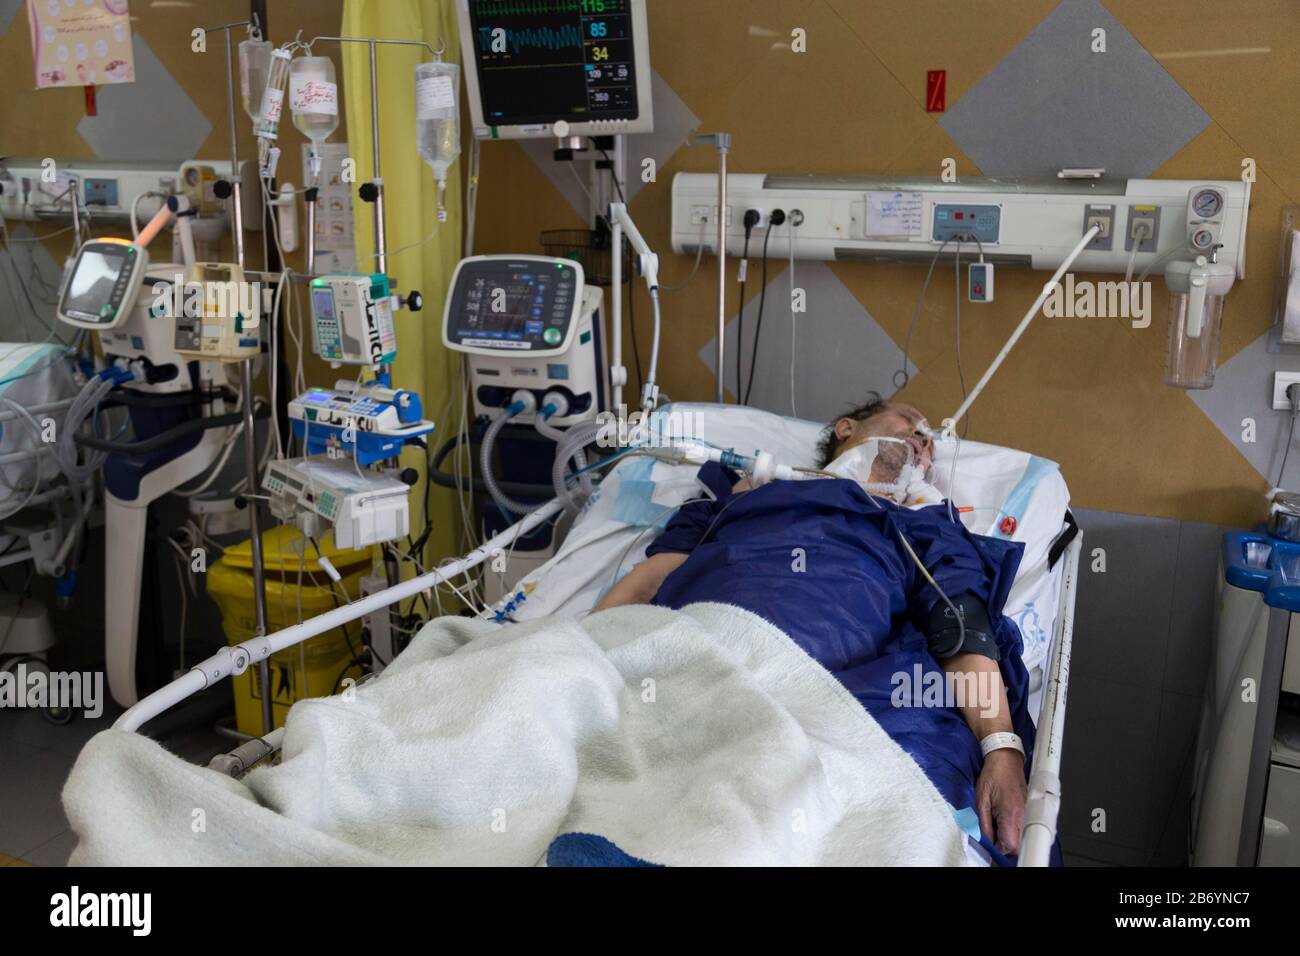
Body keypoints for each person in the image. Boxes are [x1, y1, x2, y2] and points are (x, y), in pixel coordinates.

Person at [596, 395, 1034, 858]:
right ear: (846, 428)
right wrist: (584, 655)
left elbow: (961, 629)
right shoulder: (743, 498)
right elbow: (648, 581)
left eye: (930, 442)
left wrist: (1002, 749)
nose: (924, 439)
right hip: (703, 648)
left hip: (840, 682)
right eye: (911, 421)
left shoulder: (925, 524)